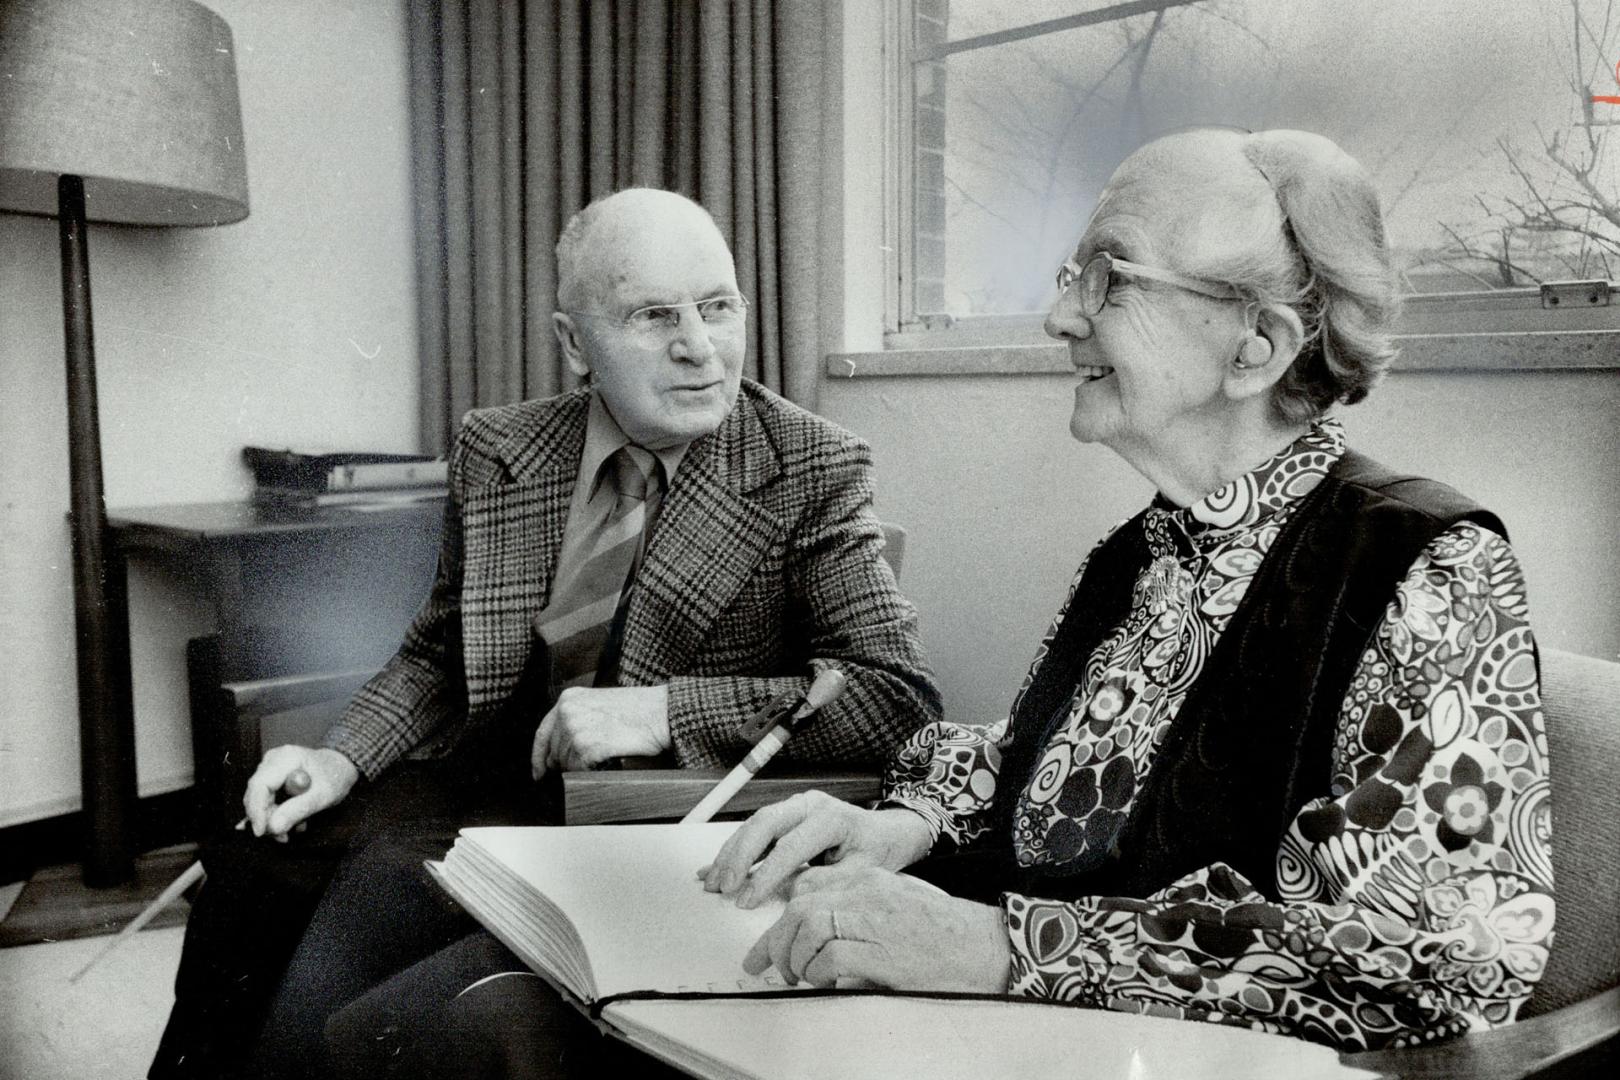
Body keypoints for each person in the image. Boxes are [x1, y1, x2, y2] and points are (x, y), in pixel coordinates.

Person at [697, 127, 1555, 1052]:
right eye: (1072, 275)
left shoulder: (1426, 567)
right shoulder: (1138, 553)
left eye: (1107, 276)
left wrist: (1000, 947)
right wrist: (902, 822)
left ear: (1254, 347)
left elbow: (1436, 964)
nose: (1062, 317)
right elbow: (1047, 771)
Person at [149, 187, 941, 1079]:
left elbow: (895, 696)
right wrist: (338, 758)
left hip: (628, 819)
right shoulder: (499, 449)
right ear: (575, 345)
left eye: (719, 308)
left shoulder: (811, 466)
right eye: (654, 315)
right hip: (480, 776)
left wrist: (661, 713)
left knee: (350, 953)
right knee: (252, 860)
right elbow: (437, 651)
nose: (700, 346)